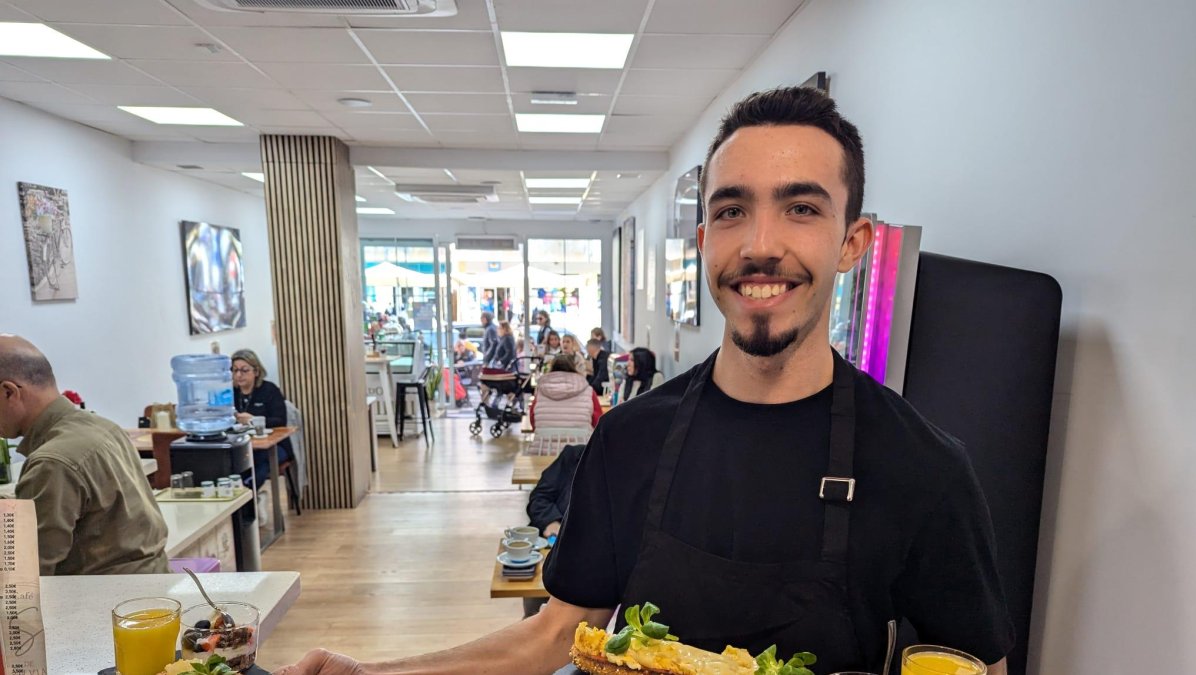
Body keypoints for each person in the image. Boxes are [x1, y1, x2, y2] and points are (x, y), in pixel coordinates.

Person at [276, 87, 1012, 675]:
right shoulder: (629, 438)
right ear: (704, 242)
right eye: (732, 211)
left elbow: (978, 664)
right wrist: (372, 672)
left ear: (853, 241)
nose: (761, 245)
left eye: (802, 208)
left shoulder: (925, 468)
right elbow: (553, 636)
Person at [0, 335, 169, 576]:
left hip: (101, 602)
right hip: (150, 586)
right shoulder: (103, 426)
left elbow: (28, 578)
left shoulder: (51, 462)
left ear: (8, 392)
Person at [522, 442, 586, 618]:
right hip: (554, 551)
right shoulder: (573, 457)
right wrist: (552, 522)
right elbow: (539, 497)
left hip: (594, 568)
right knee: (534, 615)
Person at [230, 349, 293, 488]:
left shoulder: (269, 390)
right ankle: (248, 497)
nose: (239, 375)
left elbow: (280, 420)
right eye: (235, 370)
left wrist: (253, 420)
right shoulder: (230, 393)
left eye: (244, 370)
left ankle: (248, 494)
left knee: (258, 460)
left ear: (256, 372)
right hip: (244, 445)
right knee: (232, 461)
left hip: (274, 446)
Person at [528, 354, 601, 431]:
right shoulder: (588, 390)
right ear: (573, 368)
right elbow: (598, 422)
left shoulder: (541, 391)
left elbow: (533, 420)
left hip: (545, 442)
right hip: (581, 441)